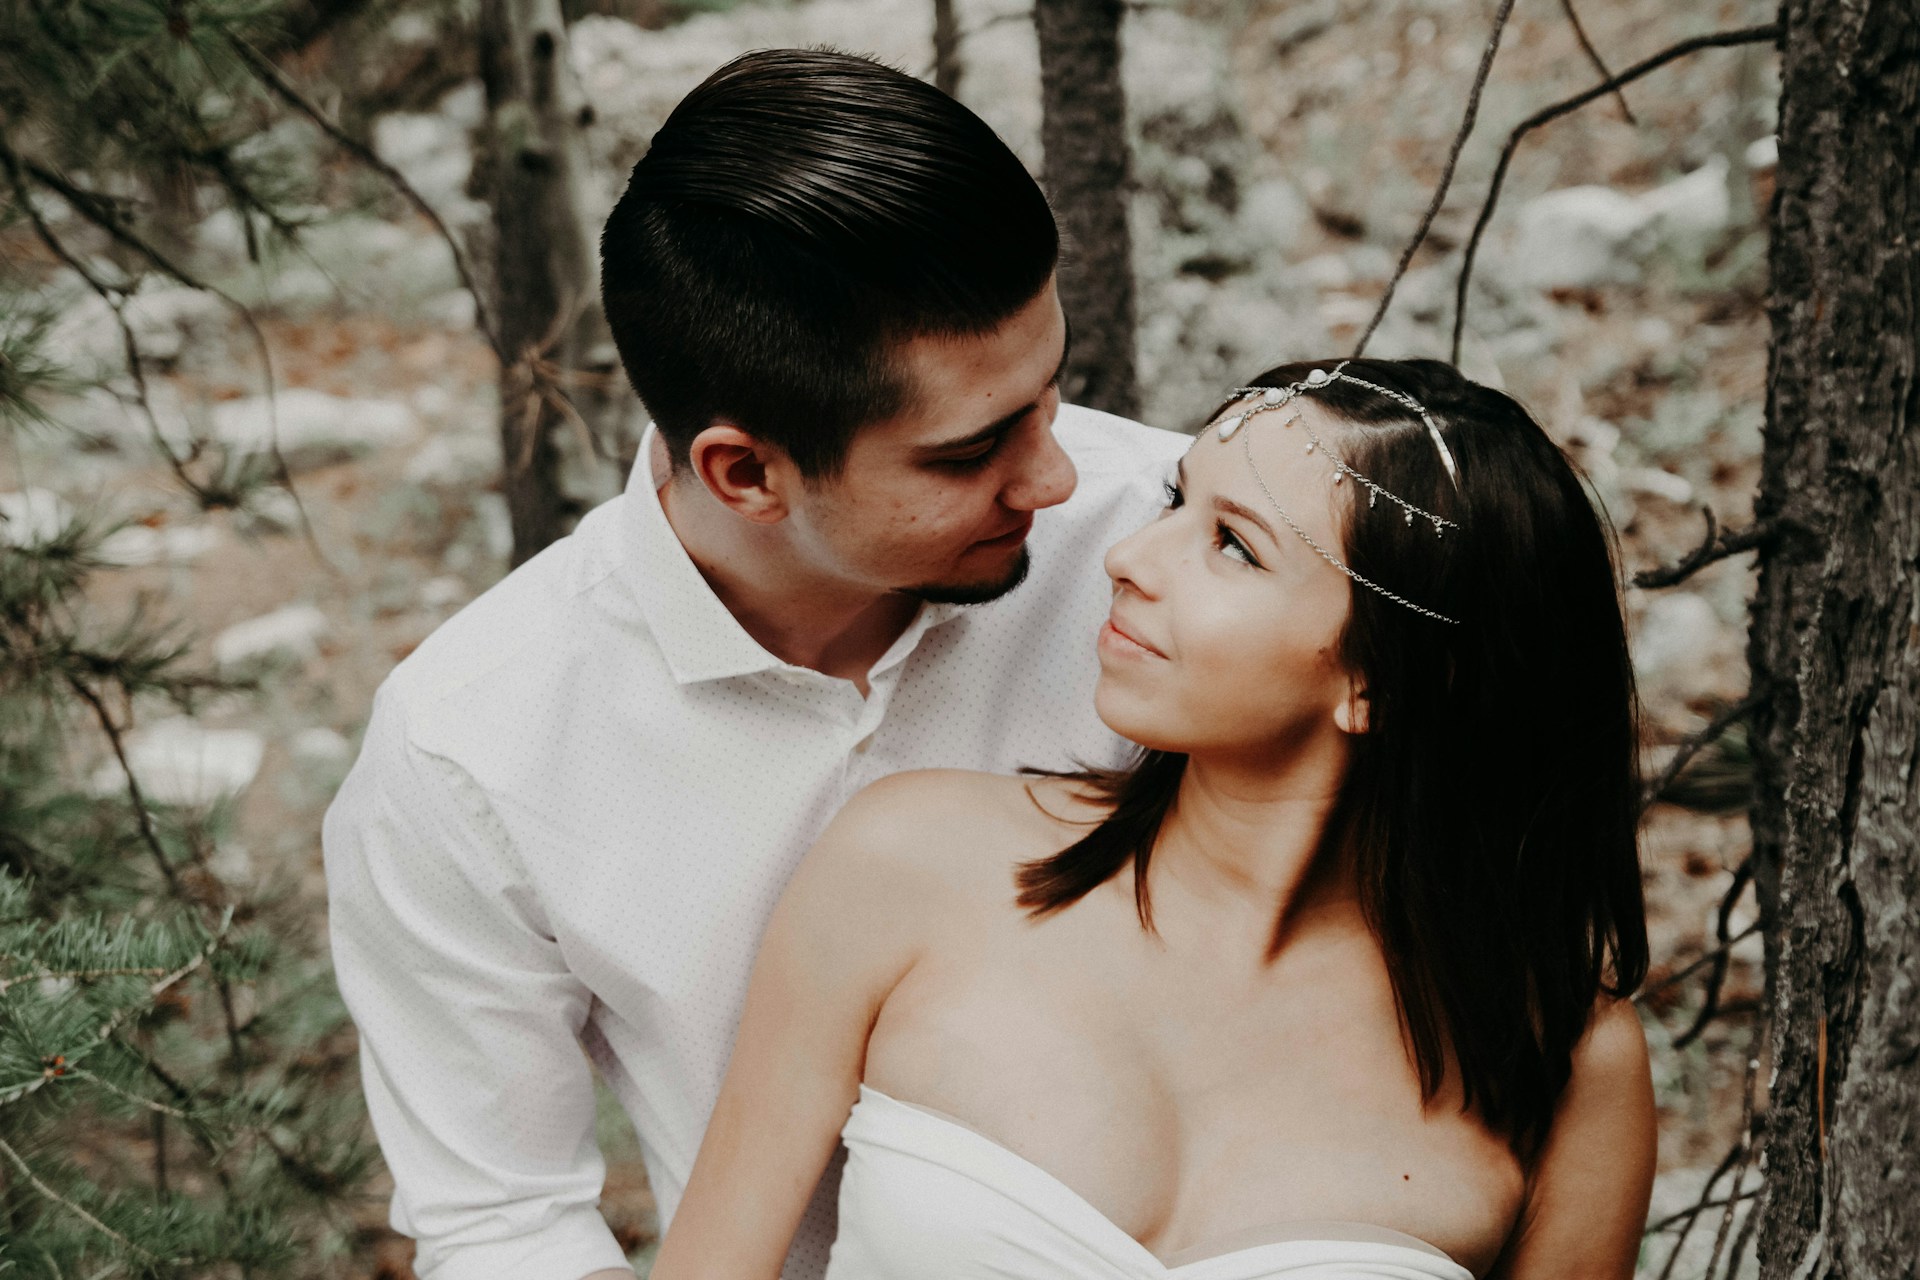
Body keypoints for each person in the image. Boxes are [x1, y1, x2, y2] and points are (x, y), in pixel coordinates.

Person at [322, 49, 1187, 1280]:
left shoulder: (1175, 539)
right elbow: (504, 1218)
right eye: (971, 450)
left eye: (1054, 395)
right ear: (746, 472)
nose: (1056, 478)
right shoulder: (470, 750)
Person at [651, 358, 1657, 1280]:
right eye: (1179, 498)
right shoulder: (909, 860)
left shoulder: (1564, 1051)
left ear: (1379, 682)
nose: (1130, 554)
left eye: (1233, 545)